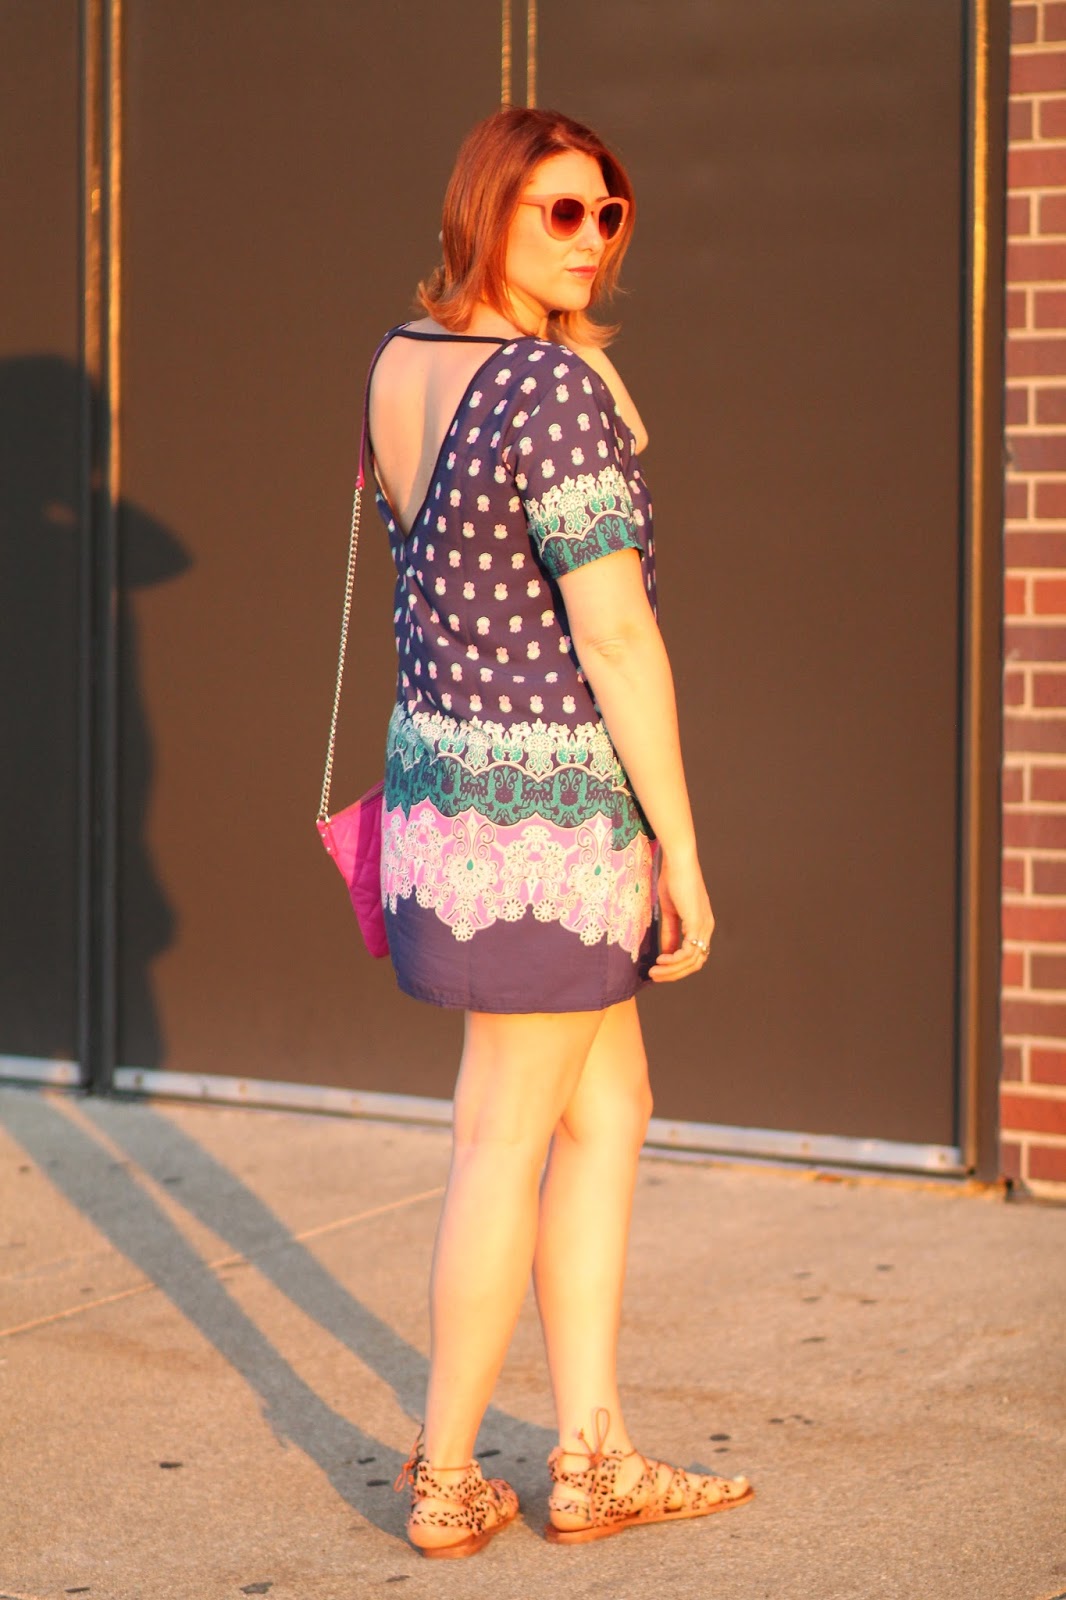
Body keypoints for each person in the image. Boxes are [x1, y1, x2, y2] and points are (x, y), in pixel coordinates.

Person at [365, 105, 754, 1557]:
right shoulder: (545, 389)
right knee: (502, 1135)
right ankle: (448, 1473)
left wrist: (578, 354)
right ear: (487, 213)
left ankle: (590, 1453)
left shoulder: (408, 359)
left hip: (443, 803)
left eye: (609, 213)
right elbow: (616, 635)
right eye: (559, 212)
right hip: (552, 825)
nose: (591, 240)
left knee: (611, 1107)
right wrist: (682, 847)